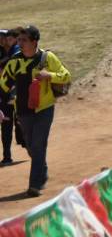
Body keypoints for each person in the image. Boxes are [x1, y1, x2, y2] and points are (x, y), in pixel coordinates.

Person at [0, 26, 70, 197]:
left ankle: (35, 185)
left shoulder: (47, 58)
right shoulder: (14, 62)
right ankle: (42, 170)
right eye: (19, 40)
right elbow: (2, 86)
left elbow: (66, 76)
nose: (20, 43)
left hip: (44, 109)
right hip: (23, 111)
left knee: (38, 145)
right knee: (31, 147)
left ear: (34, 42)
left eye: (24, 40)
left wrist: (49, 76)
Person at [0, 28, 21, 165]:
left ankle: (30, 147)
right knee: (6, 123)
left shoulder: (18, 50)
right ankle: (7, 156)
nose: (2, 40)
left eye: (4, 37)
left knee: (21, 122)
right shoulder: (1, 52)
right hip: (3, 91)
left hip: (18, 91)